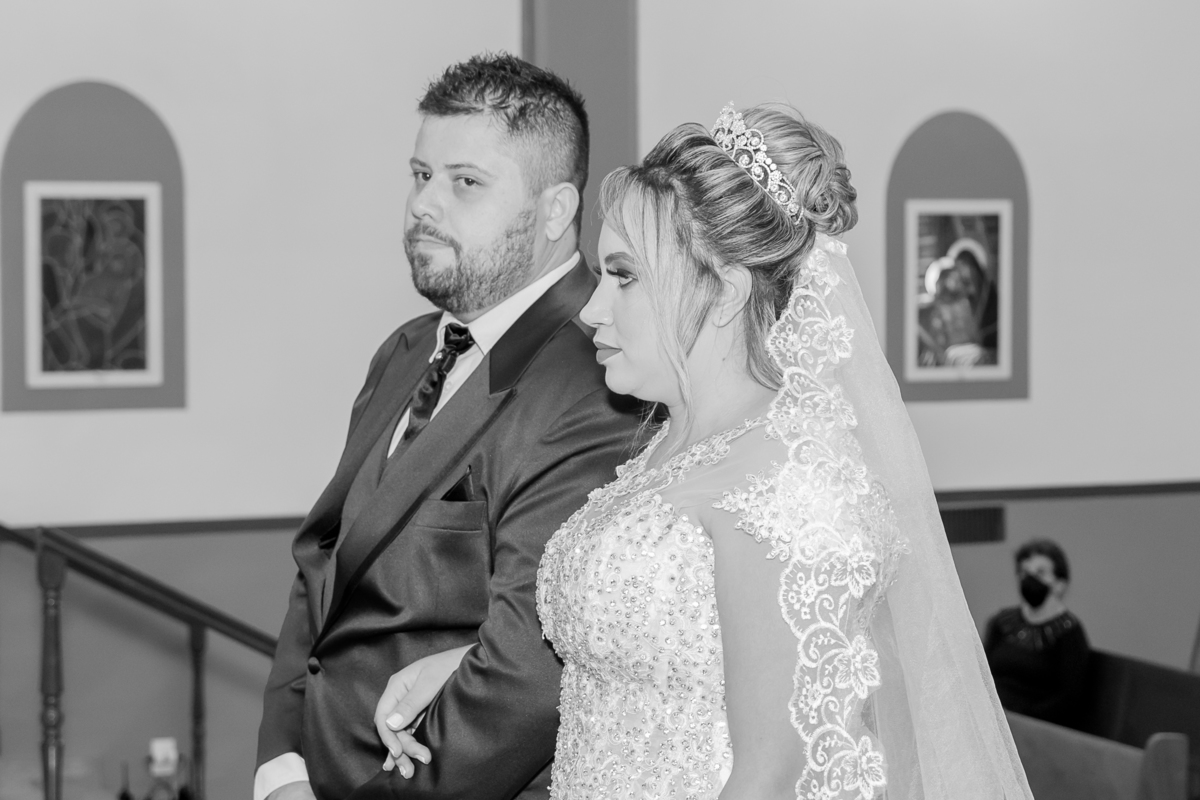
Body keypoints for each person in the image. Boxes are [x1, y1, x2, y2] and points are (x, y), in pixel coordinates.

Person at [372, 103, 1033, 798]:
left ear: (725, 291)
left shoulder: (783, 485)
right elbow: (656, 665)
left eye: (625, 276)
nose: (593, 309)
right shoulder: (668, 444)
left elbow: (772, 773)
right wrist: (455, 665)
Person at [254, 53, 643, 800]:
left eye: (466, 182)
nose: (423, 205)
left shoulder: (600, 377)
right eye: (420, 174)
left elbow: (526, 677)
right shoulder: (405, 350)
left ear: (556, 211)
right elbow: (321, 570)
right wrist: (282, 768)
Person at [984, 539, 1090, 727]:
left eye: (1040, 572)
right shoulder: (1001, 622)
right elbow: (982, 672)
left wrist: (1021, 720)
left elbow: (1068, 699)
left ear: (1060, 584)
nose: (1030, 579)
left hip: (1033, 726)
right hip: (990, 716)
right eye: (1024, 572)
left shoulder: (1069, 633)